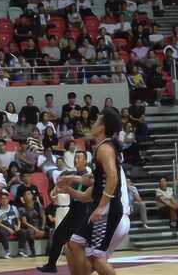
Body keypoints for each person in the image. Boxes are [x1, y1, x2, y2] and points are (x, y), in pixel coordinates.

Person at [61, 108, 130, 275]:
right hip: (106, 208)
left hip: (109, 211)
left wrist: (101, 207)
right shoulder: (103, 148)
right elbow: (93, 188)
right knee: (73, 244)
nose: (92, 124)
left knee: (95, 258)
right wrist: (69, 185)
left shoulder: (105, 149)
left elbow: (112, 178)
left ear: (102, 127)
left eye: (96, 121)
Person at [37, 151, 90, 273]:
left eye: (79, 157)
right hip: (74, 210)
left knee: (75, 244)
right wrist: (54, 191)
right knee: (58, 236)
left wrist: (65, 189)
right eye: (75, 157)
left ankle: (84, 268)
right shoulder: (73, 174)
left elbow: (79, 193)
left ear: (85, 161)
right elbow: (62, 184)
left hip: (83, 212)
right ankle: (51, 265)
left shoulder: (87, 176)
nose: (76, 159)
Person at [17, 189, 46, 257]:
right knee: (29, 232)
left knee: (52, 231)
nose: (27, 196)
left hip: (40, 227)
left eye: (29, 194)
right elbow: (25, 222)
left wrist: (42, 228)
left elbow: (43, 217)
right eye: (25, 195)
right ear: (23, 197)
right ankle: (32, 251)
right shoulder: (22, 208)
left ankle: (50, 250)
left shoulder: (38, 205)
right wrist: (36, 230)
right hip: (30, 227)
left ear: (32, 196)